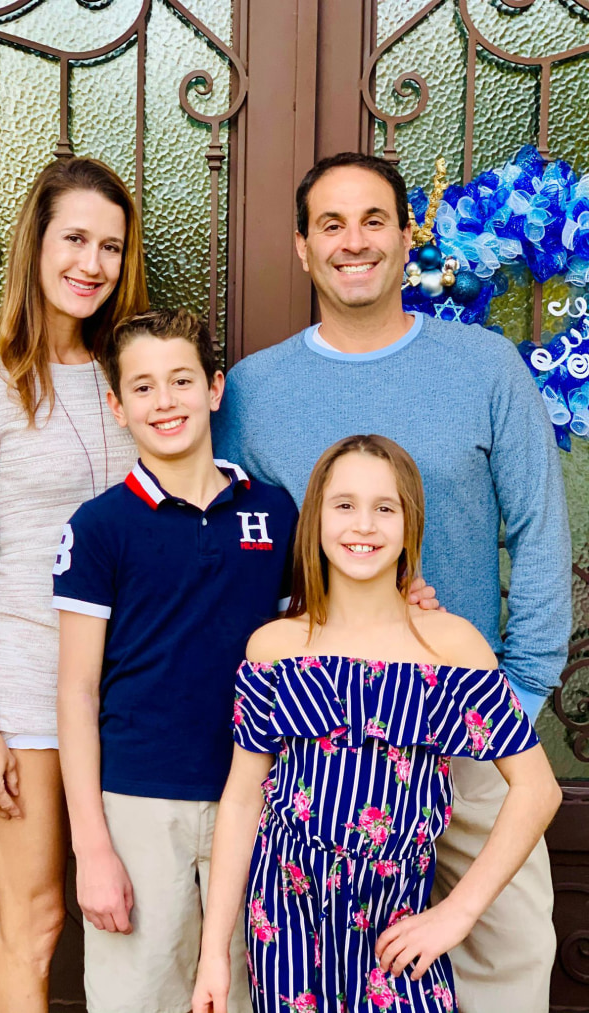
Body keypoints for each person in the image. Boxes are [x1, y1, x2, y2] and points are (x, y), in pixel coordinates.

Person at [212, 152, 572, 1012]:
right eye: (329, 224)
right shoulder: (255, 391)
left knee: (512, 958)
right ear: (302, 247)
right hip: (327, 759)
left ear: (408, 235)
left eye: (374, 219)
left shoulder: (487, 368)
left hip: (472, 727)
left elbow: (539, 534)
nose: (353, 242)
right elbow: (234, 552)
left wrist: (512, 698)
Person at [193, 434, 562, 1013]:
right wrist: (215, 952)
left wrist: (455, 915)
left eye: (384, 508)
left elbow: (538, 789)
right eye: (344, 505)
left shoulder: (449, 646)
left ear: (409, 523)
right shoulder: (275, 646)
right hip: (287, 925)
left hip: (398, 929)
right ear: (316, 517)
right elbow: (243, 800)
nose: (362, 525)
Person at [0, 157, 148, 1013]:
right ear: (37, 245)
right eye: (76, 239)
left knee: (138, 914)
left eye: (112, 247)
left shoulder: (132, 377)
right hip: (20, 685)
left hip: (129, 684)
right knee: (39, 919)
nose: (92, 264)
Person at [52, 307, 299, 1013]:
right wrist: (92, 847)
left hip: (257, 797)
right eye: (144, 387)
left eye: (182, 380)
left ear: (215, 388)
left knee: (251, 990)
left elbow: (309, 642)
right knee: (141, 994)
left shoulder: (276, 512)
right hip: (138, 805)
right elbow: (75, 690)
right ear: (117, 405)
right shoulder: (99, 527)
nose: (166, 401)